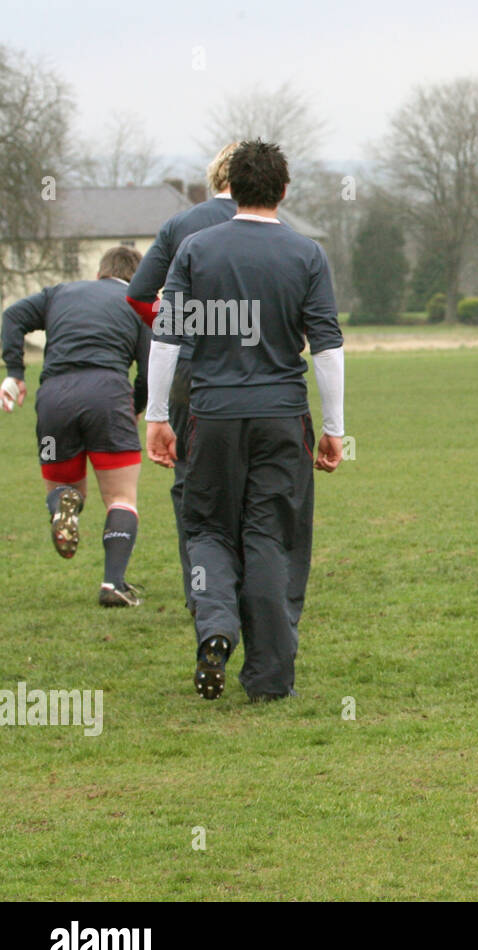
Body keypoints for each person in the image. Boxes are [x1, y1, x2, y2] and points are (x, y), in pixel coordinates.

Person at [145, 139, 345, 701]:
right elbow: (326, 346)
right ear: (283, 190)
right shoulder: (307, 255)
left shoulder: (196, 249)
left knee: (206, 527)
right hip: (281, 415)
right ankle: (270, 676)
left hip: (209, 414)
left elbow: (167, 337)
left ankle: (214, 629)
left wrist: (158, 415)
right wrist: (335, 427)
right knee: (271, 535)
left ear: (228, 185)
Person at [126, 141, 239, 616]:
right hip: (251, 371)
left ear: (216, 177)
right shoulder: (278, 227)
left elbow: (136, 295)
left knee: (190, 483)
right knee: (249, 480)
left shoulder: (180, 225)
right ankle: (246, 587)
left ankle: (201, 593)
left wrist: (178, 325)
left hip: (190, 372)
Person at [2, 247, 148, 606]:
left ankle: (63, 504)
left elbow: (11, 317)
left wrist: (14, 373)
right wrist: (137, 407)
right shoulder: (137, 304)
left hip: (54, 397)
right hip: (107, 395)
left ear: (100, 272)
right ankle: (113, 584)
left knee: (66, 486)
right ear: (136, 277)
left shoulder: (59, 293)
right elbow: (150, 370)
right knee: (121, 498)